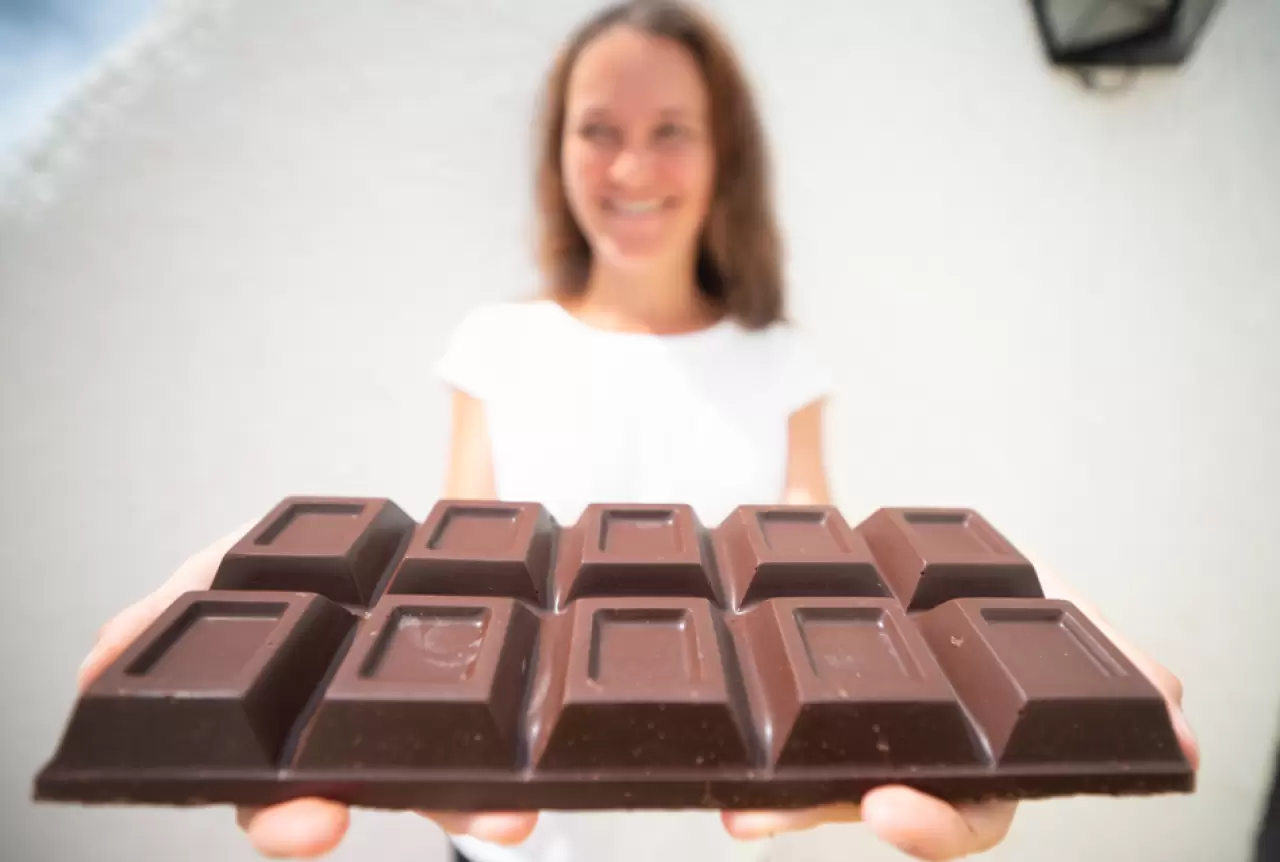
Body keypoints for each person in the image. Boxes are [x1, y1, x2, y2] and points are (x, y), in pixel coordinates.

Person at [76, 2, 1199, 861]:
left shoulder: (780, 360)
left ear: (722, 155)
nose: (630, 167)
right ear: (557, 151)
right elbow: (460, 568)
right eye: (598, 130)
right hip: (512, 838)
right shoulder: (495, 343)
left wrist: (963, 633)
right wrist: (309, 622)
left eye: (670, 131)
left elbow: (814, 577)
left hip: (724, 833)